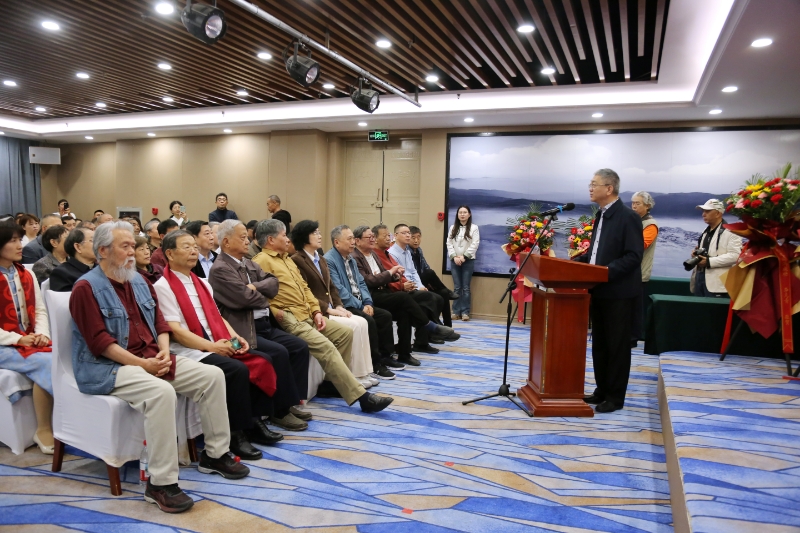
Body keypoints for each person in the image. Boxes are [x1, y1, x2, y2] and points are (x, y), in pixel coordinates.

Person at [70, 221, 249, 514]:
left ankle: (215, 455)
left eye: (133, 245)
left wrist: (163, 351)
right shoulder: (86, 288)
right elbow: (100, 343)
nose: (133, 252)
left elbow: (160, 324)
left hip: (152, 357)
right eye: (125, 246)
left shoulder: (139, 281)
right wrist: (144, 364)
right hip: (108, 367)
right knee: (161, 392)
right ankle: (160, 483)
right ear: (103, 251)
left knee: (213, 375)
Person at [154, 230, 285, 459]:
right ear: (170, 254)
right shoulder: (163, 286)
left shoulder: (201, 282)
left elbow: (217, 317)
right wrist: (213, 347)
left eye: (194, 246)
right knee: (236, 369)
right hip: (190, 349)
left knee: (262, 359)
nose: (193, 251)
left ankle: (254, 422)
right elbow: (175, 331)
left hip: (214, 340)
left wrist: (236, 338)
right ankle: (236, 434)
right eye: (186, 247)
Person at [252, 219, 393, 413]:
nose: (287, 239)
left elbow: (305, 289)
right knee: (326, 347)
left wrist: (317, 311)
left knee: (344, 333)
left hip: (308, 313)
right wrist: (279, 313)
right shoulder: (261, 261)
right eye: (283, 235)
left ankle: (330, 384)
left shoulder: (286, 259)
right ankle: (361, 397)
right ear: (270, 239)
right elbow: (261, 296)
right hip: (290, 316)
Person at [208, 220, 312, 431]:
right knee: (278, 352)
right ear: (226, 242)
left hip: (264, 324)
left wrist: (254, 287)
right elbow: (244, 298)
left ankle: (291, 402)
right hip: (244, 329)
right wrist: (262, 295)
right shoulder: (220, 269)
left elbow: (274, 283)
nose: (248, 241)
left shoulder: (247, 262)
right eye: (243, 237)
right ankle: (279, 411)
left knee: (299, 346)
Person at [576, 169, 644, 414]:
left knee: (617, 346)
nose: (590, 188)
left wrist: (604, 271)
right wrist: (580, 262)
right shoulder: (601, 215)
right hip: (599, 290)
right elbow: (597, 252)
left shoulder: (628, 217)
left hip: (619, 292)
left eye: (594, 184)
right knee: (601, 344)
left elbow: (633, 256)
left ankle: (615, 397)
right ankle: (602, 390)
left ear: (609, 188)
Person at [290, 221, 387, 386]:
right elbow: (305, 293)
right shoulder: (297, 260)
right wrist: (328, 309)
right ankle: (351, 376)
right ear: (304, 237)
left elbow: (332, 287)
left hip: (332, 308)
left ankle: (363, 373)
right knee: (355, 324)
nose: (320, 236)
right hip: (318, 311)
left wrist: (339, 306)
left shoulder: (320, 259)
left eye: (319, 232)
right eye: (315, 233)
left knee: (362, 322)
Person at [352, 225, 456, 357]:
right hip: (371, 295)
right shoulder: (355, 257)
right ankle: (429, 326)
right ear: (358, 241)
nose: (373, 239)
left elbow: (396, 273)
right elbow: (368, 280)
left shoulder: (373, 254)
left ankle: (405, 353)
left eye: (373, 236)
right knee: (405, 298)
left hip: (385, 291)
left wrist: (396, 276)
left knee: (406, 310)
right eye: (370, 237)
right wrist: (394, 277)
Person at [0, 221, 55, 455]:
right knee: (48, 362)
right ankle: (44, 428)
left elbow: (40, 310)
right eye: (12, 240)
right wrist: (17, 339)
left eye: (19, 239)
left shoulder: (25, 273)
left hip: (27, 337)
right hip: (5, 343)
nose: (19, 245)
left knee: (63, 355)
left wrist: (42, 334)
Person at [324, 225, 400, 377]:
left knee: (384, 316)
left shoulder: (350, 258)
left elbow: (362, 283)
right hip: (345, 305)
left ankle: (386, 357)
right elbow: (339, 290)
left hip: (360, 302)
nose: (353, 242)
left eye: (353, 238)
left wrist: (367, 302)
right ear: (337, 242)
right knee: (369, 321)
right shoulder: (329, 260)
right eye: (349, 239)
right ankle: (375, 364)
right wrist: (361, 305)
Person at [389, 224, 448, 328]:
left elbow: (413, 272)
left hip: (414, 285)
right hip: (405, 288)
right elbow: (401, 276)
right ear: (396, 235)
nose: (408, 235)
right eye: (404, 233)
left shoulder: (407, 251)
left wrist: (420, 286)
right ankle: (433, 327)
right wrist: (417, 287)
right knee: (431, 298)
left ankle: (435, 328)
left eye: (408, 233)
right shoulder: (392, 253)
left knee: (440, 297)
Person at [690, 199, 743, 298]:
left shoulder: (732, 232)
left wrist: (709, 262)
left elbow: (736, 256)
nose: (703, 214)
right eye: (703, 211)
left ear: (718, 213)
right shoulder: (705, 231)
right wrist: (696, 255)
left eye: (707, 211)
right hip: (699, 278)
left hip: (718, 283)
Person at [408, 226, 459, 327]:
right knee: (429, 273)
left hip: (422, 280)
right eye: (413, 238)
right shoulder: (407, 251)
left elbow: (425, 266)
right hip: (414, 283)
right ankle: (447, 291)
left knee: (443, 293)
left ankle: (448, 326)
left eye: (418, 237)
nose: (416, 241)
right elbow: (412, 273)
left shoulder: (419, 250)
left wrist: (430, 282)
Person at [631, 192, 659, 347]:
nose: (634, 206)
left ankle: (633, 338)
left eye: (638, 203)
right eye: (633, 203)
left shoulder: (650, 224)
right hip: (627, 272)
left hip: (639, 273)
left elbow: (641, 245)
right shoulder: (633, 220)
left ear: (647, 206)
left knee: (635, 308)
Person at [446, 206, 480, 321]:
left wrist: (464, 257)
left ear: (469, 214)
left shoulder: (474, 228)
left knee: (465, 287)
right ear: (457, 214)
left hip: (468, 261)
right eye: (460, 212)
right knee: (457, 287)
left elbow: (475, 243)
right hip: (455, 260)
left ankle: (465, 312)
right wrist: (454, 256)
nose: (462, 214)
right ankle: (455, 312)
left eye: (465, 212)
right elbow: (449, 243)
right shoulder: (453, 227)